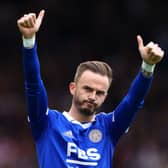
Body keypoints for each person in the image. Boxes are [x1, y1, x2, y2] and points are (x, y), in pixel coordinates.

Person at [17, 10, 164, 168]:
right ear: (72, 88)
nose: (93, 96)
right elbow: (33, 85)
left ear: (105, 96)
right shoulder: (46, 122)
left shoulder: (109, 128)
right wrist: (29, 41)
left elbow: (133, 102)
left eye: (99, 92)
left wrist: (148, 66)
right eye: (87, 89)